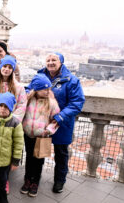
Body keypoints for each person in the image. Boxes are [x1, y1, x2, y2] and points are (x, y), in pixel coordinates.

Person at [32, 52, 85, 193]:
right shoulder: (40, 76)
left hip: (62, 123)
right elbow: (31, 89)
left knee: (61, 154)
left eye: (54, 60)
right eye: (48, 60)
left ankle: (59, 181)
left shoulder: (72, 80)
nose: (50, 62)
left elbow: (77, 103)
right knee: (40, 152)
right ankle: (34, 180)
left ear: (61, 62)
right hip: (42, 121)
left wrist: (60, 117)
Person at [0, 55, 27, 192]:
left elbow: (22, 105)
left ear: (13, 70)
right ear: (0, 67)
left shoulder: (19, 88)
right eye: (5, 66)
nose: (7, 69)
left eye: (10, 67)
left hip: (11, 125)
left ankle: (4, 179)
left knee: (7, 152)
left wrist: (12, 120)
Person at [21, 74, 60, 197]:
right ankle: (27, 180)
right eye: (45, 89)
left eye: (49, 88)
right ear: (37, 89)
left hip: (42, 136)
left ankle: (35, 182)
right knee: (29, 158)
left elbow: (56, 120)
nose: (48, 91)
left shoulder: (52, 103)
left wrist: (48, 130)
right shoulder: (27, 100)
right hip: (28, 135)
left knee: (39, 160)